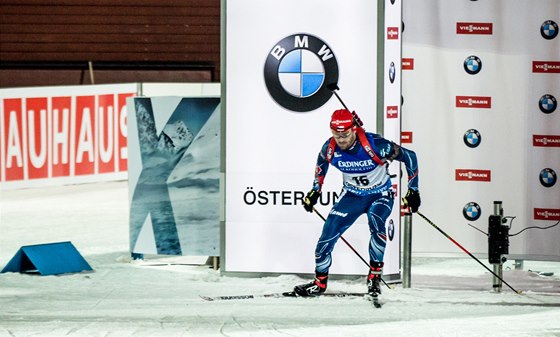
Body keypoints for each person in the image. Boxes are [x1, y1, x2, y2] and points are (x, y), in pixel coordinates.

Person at [294, 108, 420, 297]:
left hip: (380, 195)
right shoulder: (329, 148)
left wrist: (413, 190)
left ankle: (374, 278)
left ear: (354, 129)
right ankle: (319, 283)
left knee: (376, 222)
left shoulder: (376, 145)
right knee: (327, 234)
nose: (341, 140)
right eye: (337, 135)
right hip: (352, 196)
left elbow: (410, 156)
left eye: (345, 135)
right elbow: (321, 164)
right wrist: (315, 191)